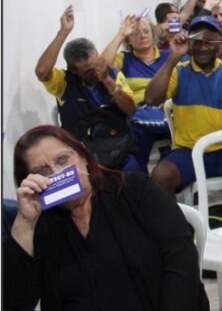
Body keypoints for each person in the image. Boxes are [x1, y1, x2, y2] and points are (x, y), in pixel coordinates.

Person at [4, 125, 208, 310]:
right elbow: (16, 301)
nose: (58, 173)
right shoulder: (41, 225)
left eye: (63, 160)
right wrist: (25, 223)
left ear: (83, 155)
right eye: (43, 171)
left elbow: (181, 261)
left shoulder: (134, 189)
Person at [144, 16, 222, 197]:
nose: (203, 48)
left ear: (221, 43)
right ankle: (180, 225)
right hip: (190, 151)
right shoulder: (178, 71)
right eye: (197, 42)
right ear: (189, 44)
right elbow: (151, 99)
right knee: (161, 176)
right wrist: (173, 58)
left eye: (209, 42)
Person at [35, 7, 137, 138]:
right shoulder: (63, 82)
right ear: (73, 70)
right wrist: (63, 32)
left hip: (116, 141)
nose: (96, 71)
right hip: (80, 144)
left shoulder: (113, 74)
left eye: (96, 64)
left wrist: (107, 81)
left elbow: (131, 109)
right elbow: (42, 71)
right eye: (89, 71)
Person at [100, 15, 172, 173]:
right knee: (136, 135)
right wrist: (121, 33)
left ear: (153, 35)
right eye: (135, 33)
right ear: (128, 41)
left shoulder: (169, 56)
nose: (142, 35)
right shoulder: (124, 59)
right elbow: (102, 66)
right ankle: (141, 179)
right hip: (137, 113)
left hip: (166, 110)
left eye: (146, 31)